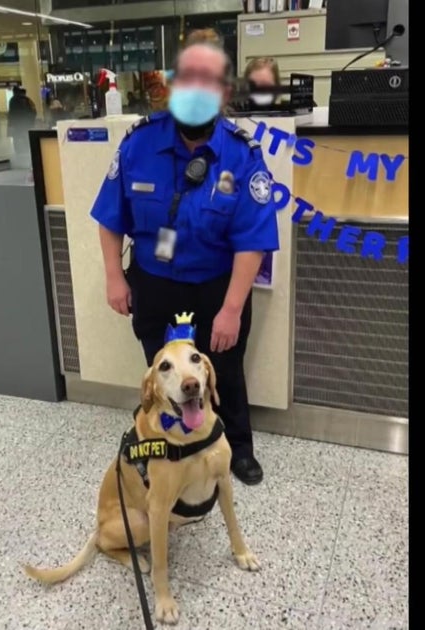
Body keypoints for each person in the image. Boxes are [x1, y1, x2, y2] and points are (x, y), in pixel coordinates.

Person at [89, 35, 278, 485]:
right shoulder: (138, 144)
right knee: (162, 372)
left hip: (216, 287)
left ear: (225, 92)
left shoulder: (243, 156)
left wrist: (232, 309)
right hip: (153, 282)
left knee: (223, 371)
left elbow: (252, 241)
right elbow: (111, 217)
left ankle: (238, 448)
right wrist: (115, 278)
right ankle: (165, 443)